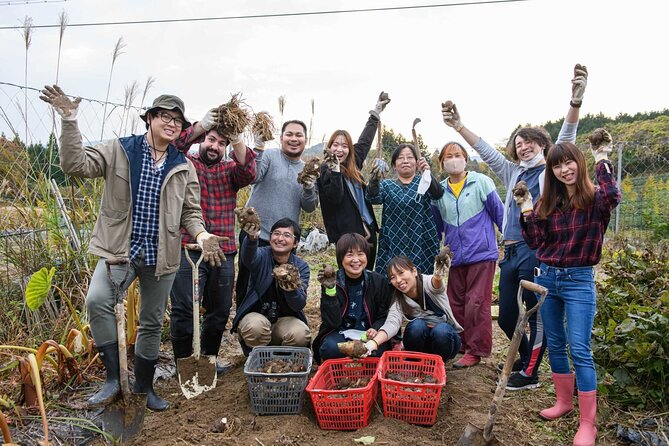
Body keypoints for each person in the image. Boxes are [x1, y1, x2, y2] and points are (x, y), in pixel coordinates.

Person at [39, 85, 225, 411]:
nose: (171, 124)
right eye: (164, 117)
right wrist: (70, 120)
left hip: (162, 255)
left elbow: (191, 214)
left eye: (177, 121)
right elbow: (75, 165)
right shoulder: (120, 150)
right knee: (98, 301)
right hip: (119, 250)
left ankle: (143, 388)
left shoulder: (184, 166)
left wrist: (202, 235)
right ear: (150, 119)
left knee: (152, 322)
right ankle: (113, 379)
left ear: (183, 128)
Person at [441, 63, 588, 389]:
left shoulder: (551, 171)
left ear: (543, 145)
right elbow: (486, 151)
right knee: (507, 315)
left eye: (530, 141)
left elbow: (567, 137)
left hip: (539, 250)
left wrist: (575, 102)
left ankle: (531, 372)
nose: (523, 146)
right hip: (511, 251)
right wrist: (459, 127)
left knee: (532, 315)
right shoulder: (512, 173)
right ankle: (527, 357)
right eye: (519, 143)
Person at [515, 131, 620, 446]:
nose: (564, 169)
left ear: (580, 162)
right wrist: (526, 206)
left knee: (580, 349)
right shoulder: (551, 201)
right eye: (557, 165)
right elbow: (535, 241)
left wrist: (602, 156)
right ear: (552, 171)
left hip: (578, 281)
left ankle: (588, 423)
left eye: (569, 161)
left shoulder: (595, 199)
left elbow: (613, 194)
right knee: (556, 345)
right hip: (547, 279)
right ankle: (563, 402)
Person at [169, 111, 256, 375]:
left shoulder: (230, 170)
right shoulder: (185, 162)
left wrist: (238, 137)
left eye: (221, 143)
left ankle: (208, 361)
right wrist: (200, 126)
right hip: (188, 248)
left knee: (218, 311)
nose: (215, 146)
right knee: (184, 310)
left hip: (223, 251)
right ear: (202, 140)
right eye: (211, 139)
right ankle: (183, 365)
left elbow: (249, 172)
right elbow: (173, 146)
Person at [432, 142, 504, 368]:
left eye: (458, 155)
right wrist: (439, 251)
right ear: (441, 163)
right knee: (454, 302)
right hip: (454, 256)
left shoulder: (481, 182)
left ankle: (477, 349)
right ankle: (461, 344)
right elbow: (437, 226)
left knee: (477, 302)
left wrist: (510, 243)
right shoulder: (439, 191)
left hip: (481, 254)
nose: (453, 159)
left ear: (465, 158)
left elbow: (500, 214)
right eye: (448, 156)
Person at [235, 120, 319, 306]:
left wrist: (309, 186)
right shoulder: (269, 156)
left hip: (285, 240)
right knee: (247, 282)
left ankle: (279, 325)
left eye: (299, 135)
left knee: (283, 283)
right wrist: (258, 149)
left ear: (306, 140)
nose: (294, 139)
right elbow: (254, 176)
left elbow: (310, 206)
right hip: (255, 234)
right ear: (281, 138)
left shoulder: (308, 169)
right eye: (289, 134)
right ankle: (244, 324)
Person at [317, 93, 391, 269]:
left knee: (368, 276)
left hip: (368, 232)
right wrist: (335, 170)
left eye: (344, 146)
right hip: (347, 237)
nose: (339, 149)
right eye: (335, 145)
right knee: (350, 279)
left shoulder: (353, 162)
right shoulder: (325, 171)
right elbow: (334, 197)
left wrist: (376, 112)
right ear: (329, 147)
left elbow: (365, 140)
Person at [231, 210, 311, 354]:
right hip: (257, 317)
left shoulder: (301, 267)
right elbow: (248, 257)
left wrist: (291, 288)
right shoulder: (261, 255)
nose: (280, 238)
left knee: (300, 334)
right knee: (255, 327)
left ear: (295, 243)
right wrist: (252, 237)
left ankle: (282, 357)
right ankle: (259, 357)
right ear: (270, 237)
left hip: (285, 321)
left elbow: (299, 304)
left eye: (287, 235)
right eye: (276, 233)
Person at [364, 251, 463, 363]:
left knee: (442, 330)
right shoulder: (398, 300)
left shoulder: (427, 282)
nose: (398, 280)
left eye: (401, 273)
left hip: (446, 341)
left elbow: (436, 285)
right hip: (421, 343)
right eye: (393, 277)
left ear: (414, 271)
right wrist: (373, 343)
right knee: (416, 326)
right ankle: (416, 363)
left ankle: (438, 364)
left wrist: (438, 275)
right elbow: (391, 324)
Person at [312, 233, 392, 363]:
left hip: (368, 334)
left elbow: (384, 314)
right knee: (329, 348)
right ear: (341, 259)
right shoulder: (332, 280)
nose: (356, 260)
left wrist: (375, 328)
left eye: (360, 254)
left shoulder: (377, 281)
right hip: (341, 333)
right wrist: (330, 290)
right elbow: (331, 322)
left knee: (380, 351)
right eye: (349, 255)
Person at [366, 144, 444, 275]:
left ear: (417, 163)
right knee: (393, 282)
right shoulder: (387, 185)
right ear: (394, 164)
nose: (406, 161)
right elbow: (373, 198)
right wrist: (374, 178)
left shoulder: (424, 182)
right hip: (393, 242)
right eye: (401, 158)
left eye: (410, 157)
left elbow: (438, 193)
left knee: (422, 283)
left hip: (422, 241)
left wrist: (427, 173)